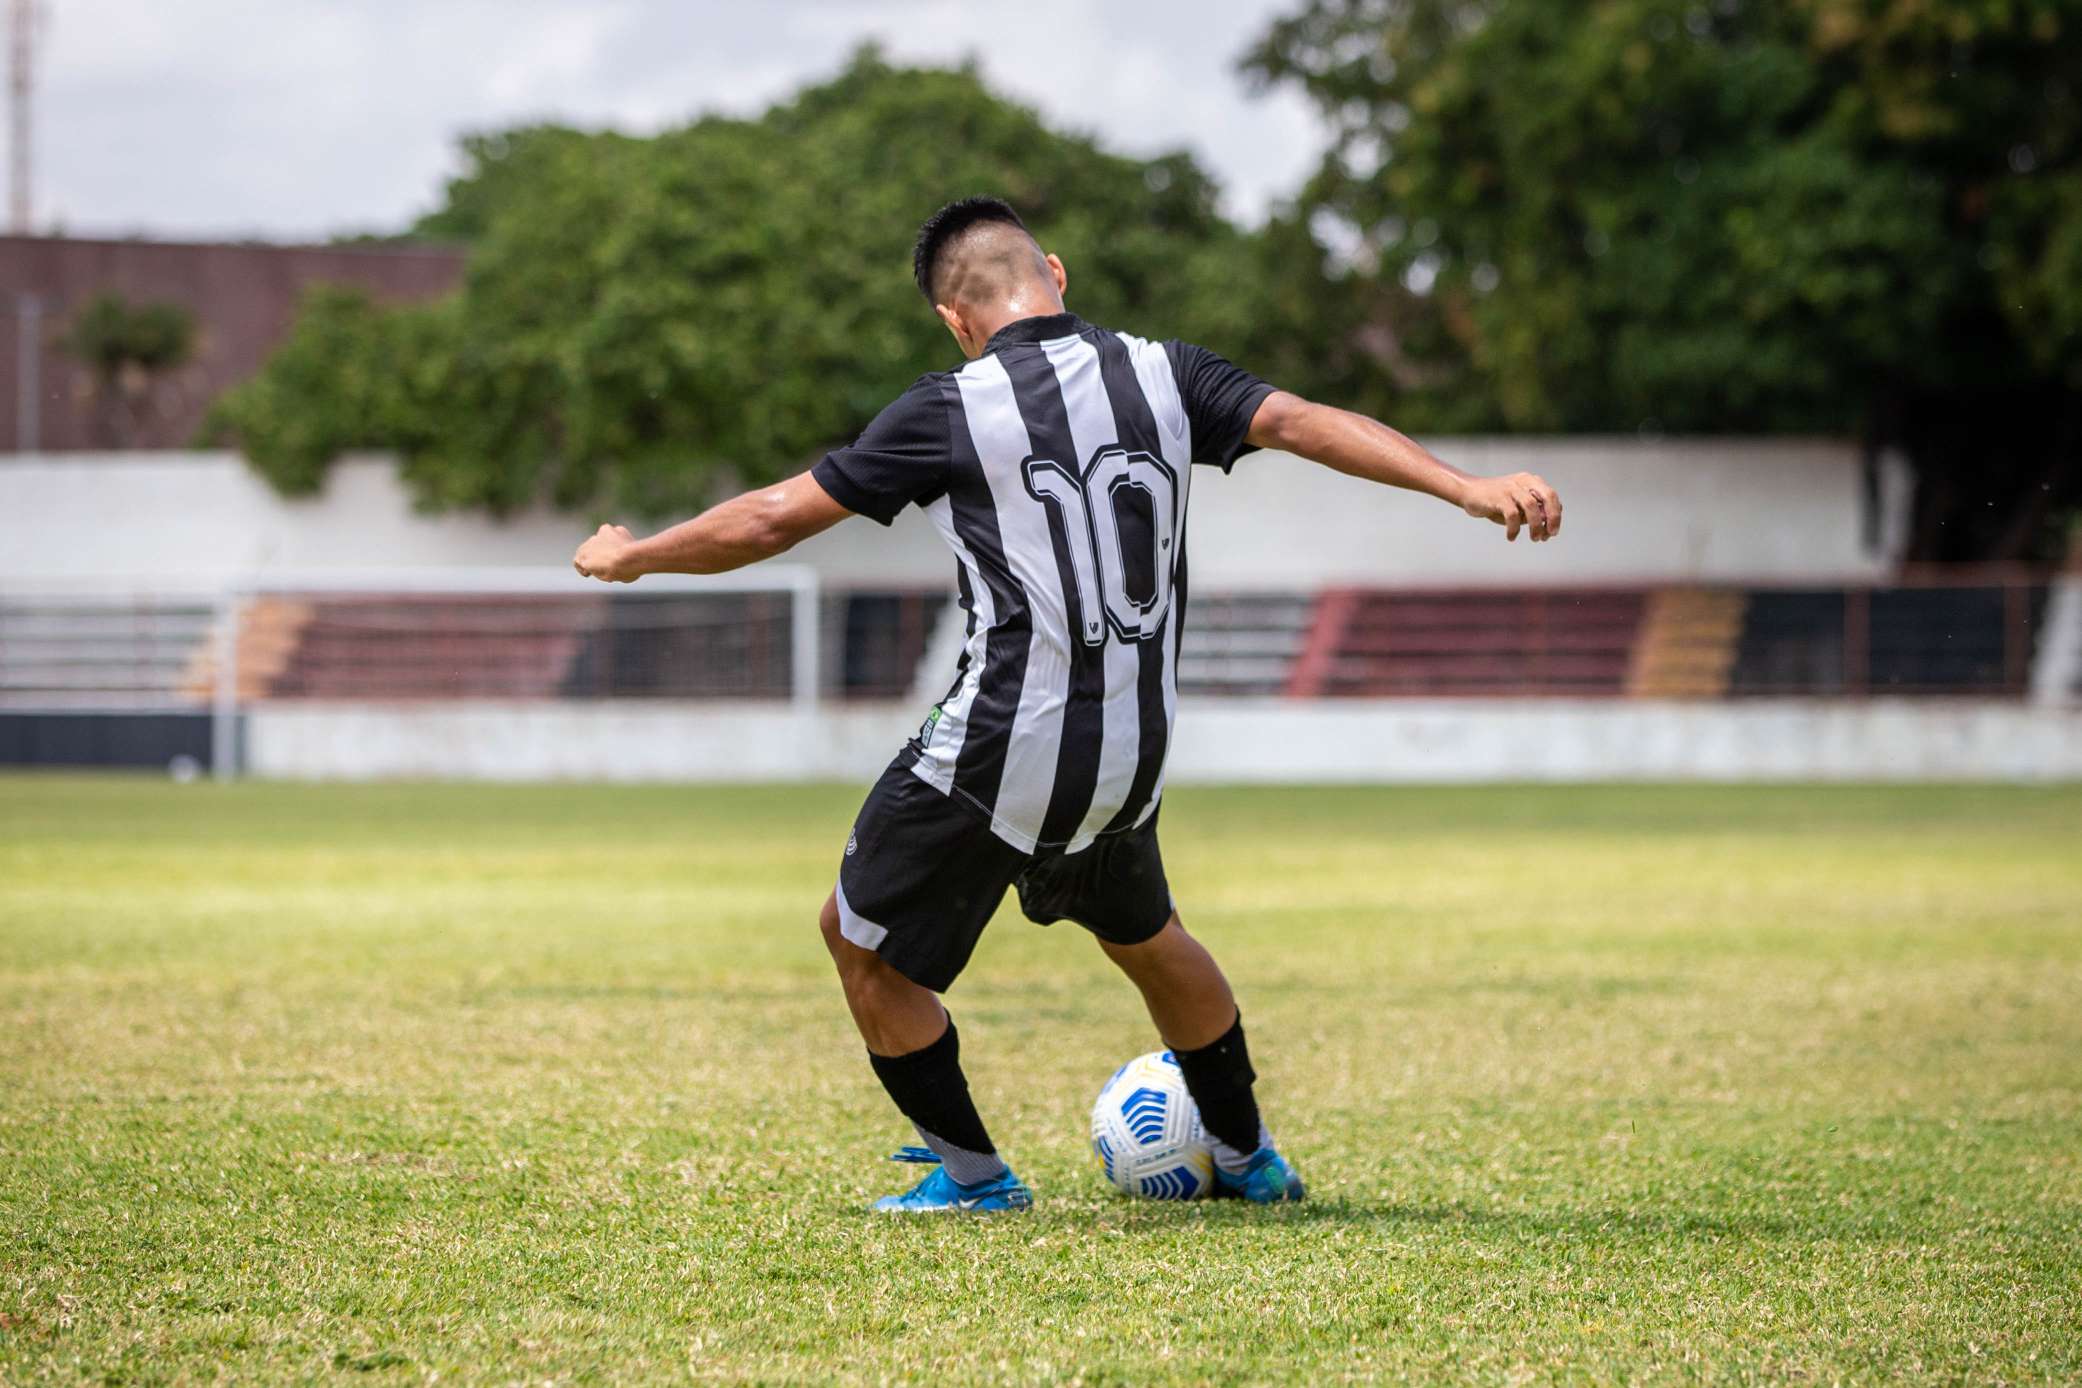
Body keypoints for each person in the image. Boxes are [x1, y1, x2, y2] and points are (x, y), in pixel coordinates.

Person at [574, 196, 1562, 1213]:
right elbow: (1307, 422)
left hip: (1004, 746)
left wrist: (636, 554)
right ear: (1054, 269)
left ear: (956, 320)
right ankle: (1249, 1152)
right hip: (1131, 754)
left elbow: (776, 514)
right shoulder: (1167, 372)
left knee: (855, 934)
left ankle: (972, 1176)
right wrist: (1465, 485)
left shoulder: (952, 404)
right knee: (1148, 935)